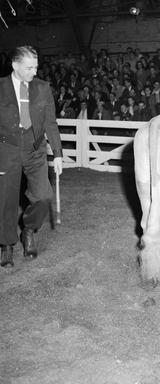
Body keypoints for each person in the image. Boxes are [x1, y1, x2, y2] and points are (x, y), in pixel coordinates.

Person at [0, 46, 63, 267]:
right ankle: (7, 244)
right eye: (29, 67)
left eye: (36, 66)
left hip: (35, 150)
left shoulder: (42, 88)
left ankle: (28, 230)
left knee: (44, 196)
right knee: (5, 201)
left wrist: (57, 154)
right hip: (6, 150)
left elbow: (50, 123)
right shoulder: (1, 87)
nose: (34, 72)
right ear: (15, 65)